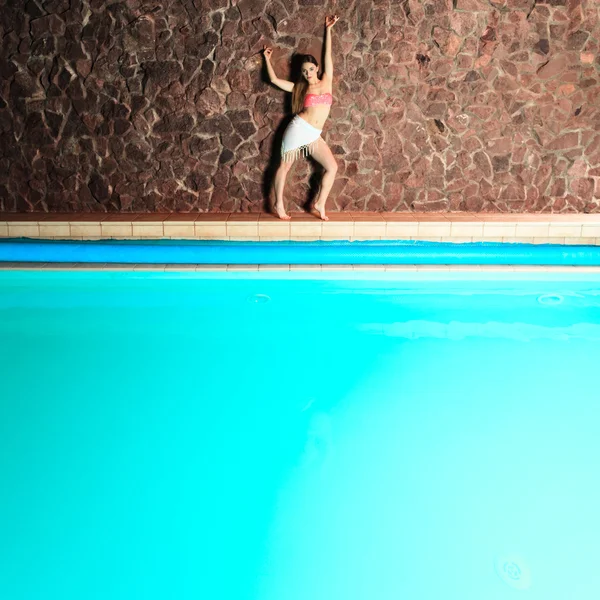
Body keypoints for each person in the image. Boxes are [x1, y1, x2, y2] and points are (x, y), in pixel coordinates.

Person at [263, 15, 340, 221]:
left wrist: (328, 29)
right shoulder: (300, 88)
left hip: (314, 135)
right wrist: (267, 59)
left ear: (316, 68)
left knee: (332, 167)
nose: (308, 73)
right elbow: (273, 80)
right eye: (304, 71)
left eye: (310, 69)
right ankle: (279, 204)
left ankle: (320, 203)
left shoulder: (327, 80)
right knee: (284, 165)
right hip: (298, 129)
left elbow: (328, 55)